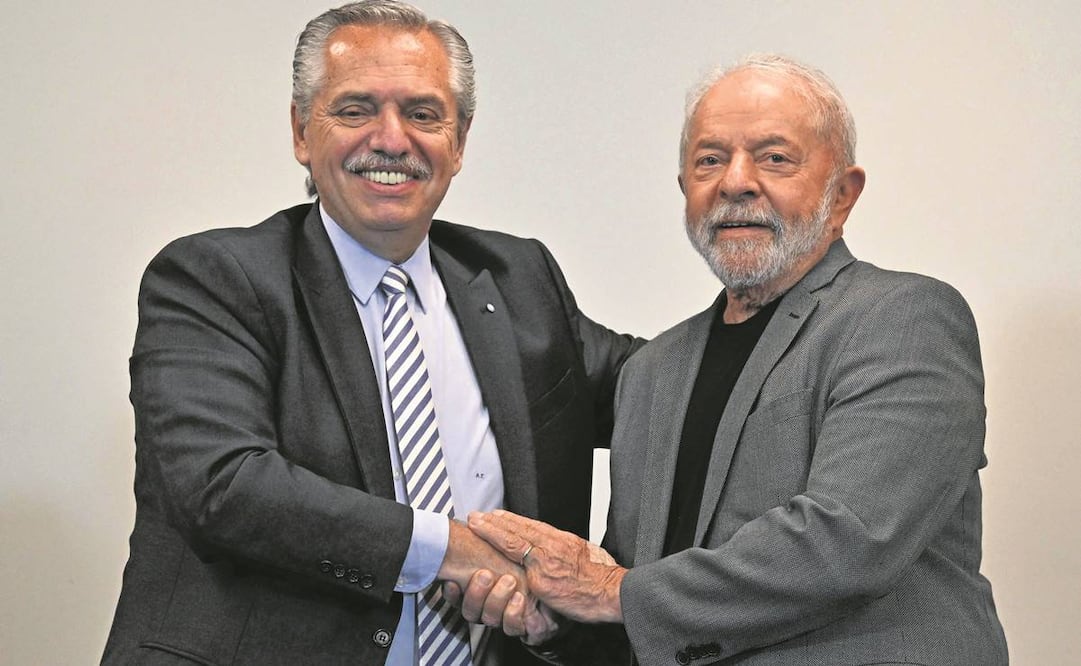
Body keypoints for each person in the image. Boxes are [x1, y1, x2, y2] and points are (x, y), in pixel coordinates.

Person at [100, 2, 637, 664]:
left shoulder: (516, 278)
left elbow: (663, 387)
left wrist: (786, 297)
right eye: (354, 110)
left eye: (421, 113)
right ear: (302, 131)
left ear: (459, 140)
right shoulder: (216, 279)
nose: (390, 139)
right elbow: (222, 484)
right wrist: (450, 549)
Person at [463, 53, 1008, 665]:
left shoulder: (903, 318)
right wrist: (558, 623)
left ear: (842, 196)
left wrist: (609, 589)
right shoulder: (651, 372)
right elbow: (647, 610)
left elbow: (849, 541)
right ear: (685, 191)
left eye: (775, 157)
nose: (735, 182)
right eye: (709, 160)